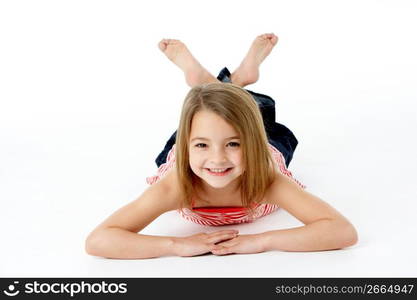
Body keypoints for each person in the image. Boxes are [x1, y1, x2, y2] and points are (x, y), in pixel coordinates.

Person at [85, 33, 358, 259]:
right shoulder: (176, 185)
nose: (217, 159)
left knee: (265, 122)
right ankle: (223, 83)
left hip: (262, 150)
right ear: (186, 145)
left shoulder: (267, 180)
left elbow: (342, 231)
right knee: (211, 119)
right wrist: (177, 245)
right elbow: (99, 240)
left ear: (253, 143)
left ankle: (225, 84)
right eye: (201, 145)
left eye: (234, 144)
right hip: (189, 157)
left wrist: (262, 241)